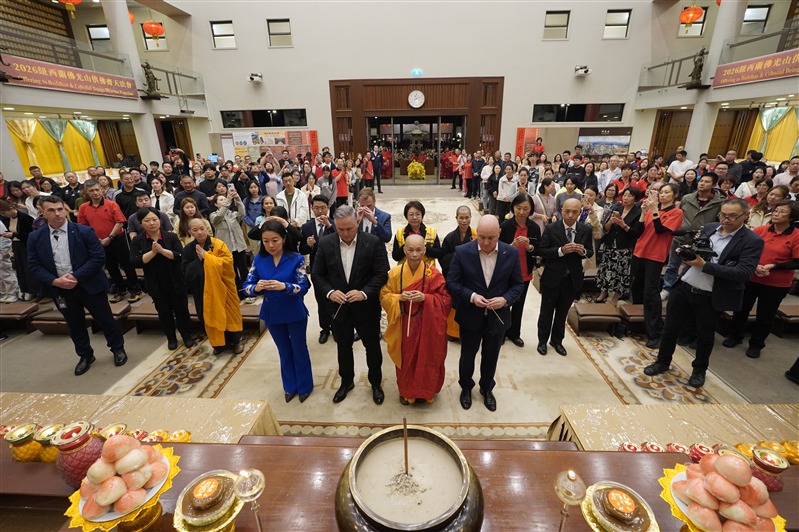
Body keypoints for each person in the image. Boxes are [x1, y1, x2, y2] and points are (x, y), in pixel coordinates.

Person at [644, 198, 764, 388]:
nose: (726, 220)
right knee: (670, 329)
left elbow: (744, 273)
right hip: (685, 287)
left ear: (746, 215)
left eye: (732, 216)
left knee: (705, 336)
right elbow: (696, 249)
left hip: (711, 294)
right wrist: (687, 251)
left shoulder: (752, 240)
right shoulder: (710, 228)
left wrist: (705, 265)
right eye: (723, 215)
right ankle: (662, 362)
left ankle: (699, 371)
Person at [27, 196, 127, 375]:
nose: (57, 213)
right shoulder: (35, 237)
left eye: (60, 209)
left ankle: (117, 348)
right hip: (60, 288)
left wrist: (75, 277)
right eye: (51, 210)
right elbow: (34, 265)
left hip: (89, 284)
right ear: (42, 212)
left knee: (105, 319)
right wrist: (54, 281)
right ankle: (85, 355)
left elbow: (98, 258)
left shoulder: (84, 231)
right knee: (74, 324)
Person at [311, 205, 389, 405]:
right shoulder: (326, 243)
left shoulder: (372, 242)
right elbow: (317, 274)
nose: (345, 233)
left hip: (366, 307)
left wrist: (364, 293)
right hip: (339, 308)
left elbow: (382, 274)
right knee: (343, 347)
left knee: (372, 347)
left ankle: (376, 383)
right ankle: (346, 382)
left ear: (357, 222)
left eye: (350, 229)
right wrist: (330, 292)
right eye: (340, 229)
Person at [446, 215, 523, 411]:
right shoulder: (462, 252)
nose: (486, 242)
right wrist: (472, 297)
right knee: (467, 356)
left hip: (498, 317)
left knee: (491, 356)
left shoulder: (510, 253)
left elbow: (517, 284)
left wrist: (504, 300)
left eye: (491, 238)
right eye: (482, 237)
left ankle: (487, 388)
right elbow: (452, 283)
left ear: (499, 233)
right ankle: (466, 388)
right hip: (470, 315)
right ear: (476, 234)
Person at [244, 220, 314, 403]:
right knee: (284, 350)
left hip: (294, 312)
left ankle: (305, 386)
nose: (270, 245)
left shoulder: (296, 259)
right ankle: (290, 386)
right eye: (266, 241)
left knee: (299, 349)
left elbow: (303, 287)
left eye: (275, 240)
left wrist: (285, 286)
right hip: (272, 313)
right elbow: (247, 286)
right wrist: (256, 288)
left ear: (283, 238)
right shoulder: (259, 260)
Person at [380, 234, 452, 405]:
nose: (414, 254)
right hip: (404, 324)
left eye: (418, 250)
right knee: (407, 359)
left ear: (425, 251)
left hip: (428, 326)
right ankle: (408, 392)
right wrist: (399, 298)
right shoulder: (395, 273)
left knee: (429, 358)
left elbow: (445, 299)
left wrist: (426, 298)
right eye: (410, 250)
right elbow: (384, 296)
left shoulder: (433, 273)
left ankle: (427, 392)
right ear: (404, 250)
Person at [723, 201, 799, 358]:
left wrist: (774, 266)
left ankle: (756, 344)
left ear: (792, 217)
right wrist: (754, 265)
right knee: (741, 308)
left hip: (776, 283)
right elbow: (744, 251)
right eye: (776, 210)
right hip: (751, 276)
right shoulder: (761, 230)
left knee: (766, 315)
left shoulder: (796, 235)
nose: (776, 214)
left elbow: (797, 262)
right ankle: (735, 336)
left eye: (782, 212)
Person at [130, 207, 195, 351]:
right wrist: (153, 253)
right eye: (147, 220)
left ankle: (186, 335)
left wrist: (162, 251)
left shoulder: (170, 237)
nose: (152, 223)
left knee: (182, 311)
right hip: (155, 283)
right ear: (141, 223)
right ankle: (171, 338)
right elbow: (134, 261)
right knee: (164, 313)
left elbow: (180, 256)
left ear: (160, 220)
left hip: (175, 280)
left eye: (154, 219)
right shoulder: (138, 241)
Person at [536, 198, 594, 356]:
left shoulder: (585, 229)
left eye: (575, 212)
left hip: (572, 279)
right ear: (561, 210)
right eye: (567, 211)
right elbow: (542, 251)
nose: (570, 215)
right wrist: (561, 251)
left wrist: (583, 251)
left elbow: (590, 251)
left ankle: (557, 341)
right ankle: (542, 341)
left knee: (562, 313)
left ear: (580, 212)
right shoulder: (551, 228)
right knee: (546, 311)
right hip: (552, 277)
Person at [631, 183, 684, 348]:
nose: (662, 195)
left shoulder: (676, 212)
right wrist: (643, 213)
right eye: (661, 192)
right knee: (636, 288)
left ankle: (655, 332)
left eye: (667, 192)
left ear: (675, 195)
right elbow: (638, 232)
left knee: (651, 293)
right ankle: (639, 324)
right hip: (639, 252)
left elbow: (660, 230)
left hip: (654, 256)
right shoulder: (652, 210)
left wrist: (653, 210)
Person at [182, 218, 244, 355]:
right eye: (195, 230)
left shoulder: (218, 244)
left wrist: (207, 258)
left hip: (223, 287)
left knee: (229, 315)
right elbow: (185, 272)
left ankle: (236, 342)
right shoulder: (188, 250)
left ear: (207, 228)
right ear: (190, 232)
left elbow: (228, 263)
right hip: (203, 290)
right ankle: (218, 344)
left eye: (202, 228)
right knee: (209, 316)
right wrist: (200, 261)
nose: (199, 232)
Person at [77, 179, 142, 303]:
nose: (95, 193)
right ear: (86, 192)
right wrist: (95, 239)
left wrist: (110, 237)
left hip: (117, 239)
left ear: (102, 190)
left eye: (97, 189)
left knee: (126, 265)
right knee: (111, 267)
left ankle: (135, 289)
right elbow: (83, 226)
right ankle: (121, 290)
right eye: (91, 191)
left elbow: (120, 222)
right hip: (98, 242)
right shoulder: (83, 207)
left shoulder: (111, 204)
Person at [662, 173, 724, 299]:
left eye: (706, 182)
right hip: (681, 236)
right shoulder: (687, 198)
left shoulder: (719, 202)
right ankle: (667, 288)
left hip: (700, 240)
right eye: (701, 181)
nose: (702, 183)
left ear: (713, 185)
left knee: (691, 267)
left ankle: (681, 290)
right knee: (672, 266)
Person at [499, 194, 541, 347]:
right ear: (513, 208)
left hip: (524, 272)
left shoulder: (534, 228)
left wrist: (529, 246)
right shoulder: (505, 226)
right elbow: (497, 249)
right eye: (518, 208)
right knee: (504, 304)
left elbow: (538, 250)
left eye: (525, 209)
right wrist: (511, 246)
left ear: (531, 210)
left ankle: (514, 333)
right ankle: (501, 332)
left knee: (519, 304)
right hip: (506, 272)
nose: (521, 212)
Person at [300, 195, 337, 344]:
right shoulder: (307, 227)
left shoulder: (334, 223)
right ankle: (325, 328)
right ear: (312, 208)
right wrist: (308, 245)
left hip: (334, 268)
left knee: (335, 299)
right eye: (316, 208)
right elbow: (302, 250)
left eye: (323, 207)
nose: (320, 211)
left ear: (328, 208)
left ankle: (336, 327)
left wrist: (329, 226)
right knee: (321, 300)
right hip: (317, 269)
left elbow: (341, 241)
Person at [596, 187, 643, 304]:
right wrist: (611, 222)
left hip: (624, 247)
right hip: (610, 244)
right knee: (606, 269)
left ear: (635, 199)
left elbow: (636, 233)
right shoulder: (617, 208)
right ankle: (603, 292)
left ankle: (616, 296)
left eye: (629, 196)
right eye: (624, 195)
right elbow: (606, 228)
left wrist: (623, 225)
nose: (626, 198)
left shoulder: (638, 213)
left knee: (620, 272)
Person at [440, 205, 478, 341]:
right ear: (456, 218)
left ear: (470, 218)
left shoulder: (476, 236)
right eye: (461, 218)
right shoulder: (450, 237)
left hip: (470, 277)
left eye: (467, 217)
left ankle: (466, 332)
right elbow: (443, 258)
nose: (464, 221)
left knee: (468, 304)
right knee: (453, 303)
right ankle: (452, 332)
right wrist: (459, 256)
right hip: (454, 276)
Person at [0, 200, 37, 301]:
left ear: (11, 209)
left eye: (4, 213)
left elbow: (31, 234)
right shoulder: (7, 219)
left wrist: (14, 234)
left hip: (25, 245)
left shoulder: (25, 218)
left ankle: (33, 290)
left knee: (28, 268)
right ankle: (25, 289)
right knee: (20, 269)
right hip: (16, 246)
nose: (3, 215)